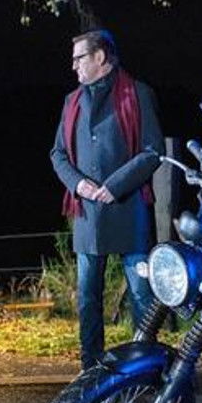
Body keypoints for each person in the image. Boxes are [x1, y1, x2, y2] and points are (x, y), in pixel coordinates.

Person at [50, 29, 163, 369]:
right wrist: (78, 184)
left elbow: (152, 151)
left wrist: (115, 185)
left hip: (129, 210)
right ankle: (91, 369)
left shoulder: (138, 93)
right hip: (87, 215)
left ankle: (145, 368)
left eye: (79, 58)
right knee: (88, 298)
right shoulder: (72, 101)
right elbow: (58, 154)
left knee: (142, 296)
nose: (74, 66)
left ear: (100, 57)